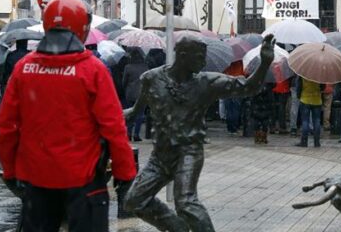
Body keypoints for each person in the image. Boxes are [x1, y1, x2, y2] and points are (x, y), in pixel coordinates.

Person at [0, 0, 136, 231]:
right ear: (83, 27)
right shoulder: (92, 69)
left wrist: (9, 170)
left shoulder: (24, 68)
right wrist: (125, 172)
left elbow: (7, 125)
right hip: (84, 182)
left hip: (37, 180)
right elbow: (113, 127)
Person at [123, 34, 274, 231]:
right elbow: (135, 111)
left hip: (189, 152)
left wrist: (264, 63)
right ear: (183, 55)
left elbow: (248, 87)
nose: (203, 62)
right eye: (199, 57)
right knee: (134, 200)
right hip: (160, 156)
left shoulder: (206, 83)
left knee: (186, 203)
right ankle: (178, 228)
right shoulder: (151, 79)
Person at [123, 47, 149, 141]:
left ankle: (129, 133)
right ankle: (137, 134)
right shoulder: (145, 67)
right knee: (140, 115)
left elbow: (124, 81)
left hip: (130, 93)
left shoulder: (128, 67)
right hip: (142, 93)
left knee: (130, 113)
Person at [296, 77, 323, 147]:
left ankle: (304, 142)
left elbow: (299, 86)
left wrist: (299, 96)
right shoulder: (319, 74)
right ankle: (317, 142)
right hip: (317, 100)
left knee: (305, 121)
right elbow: (323, 87)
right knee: (317, 121)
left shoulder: (303, 73)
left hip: (305, 99)